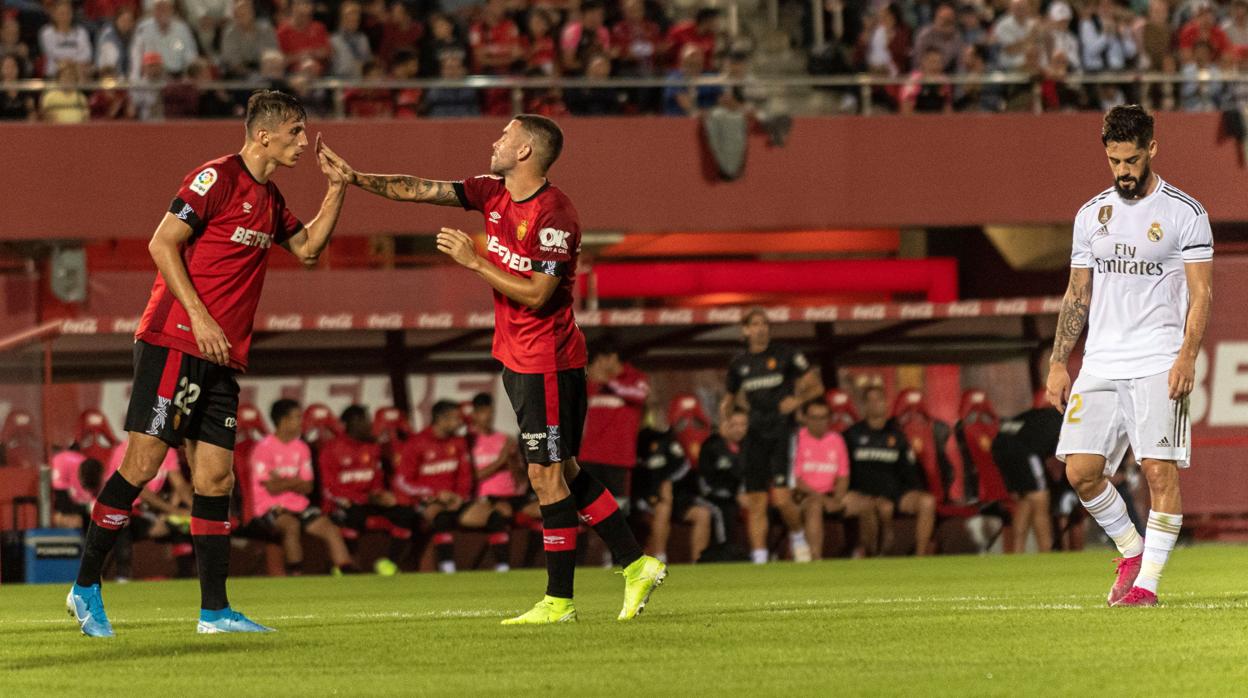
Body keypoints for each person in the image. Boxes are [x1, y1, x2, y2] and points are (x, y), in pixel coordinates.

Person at [319, 115, 666, 624]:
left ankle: (559, 601)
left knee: (545, 476)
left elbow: (539, 294)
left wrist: (475, 261)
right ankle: (637, 565)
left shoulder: (555, 215)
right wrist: (355, 178)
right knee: (565, 471)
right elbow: (420, 189)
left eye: (505, 136)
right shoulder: (491, 191)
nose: (495, 141)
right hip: (518, 357)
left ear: (525, 151)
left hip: (547, 360)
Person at [66, 90, 348, 638]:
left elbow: (309, 249)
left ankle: (215, 613)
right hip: (175, 339)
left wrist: (338, 188)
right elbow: (162, 244)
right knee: (143, 464)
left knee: (216, 477)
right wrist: (199, 318)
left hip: (222, 355)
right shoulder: (215, 178)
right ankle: (85, 587)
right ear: (263, 135)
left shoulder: (270, 199)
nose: (302, 141)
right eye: (294, 131)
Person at [1048, 105, 1213, 607]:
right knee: (1080, 472)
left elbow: (1201, 295)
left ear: (1152, 149)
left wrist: (1187, 356)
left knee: (1159, 473)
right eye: (1114, 160)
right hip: (1100, 362)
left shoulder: (1185, 213)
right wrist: (1059, 361)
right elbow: (1077, 293)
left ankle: (1147, 586)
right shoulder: (1090, 215)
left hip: (1158, 360)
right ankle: (1131, 551)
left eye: (1132, 160)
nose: (1123, 170)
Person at [720, 308, 823, 564]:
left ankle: (797, 536)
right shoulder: (739, 363)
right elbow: (729, 399)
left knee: (781, 498)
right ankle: (760, 557)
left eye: (764, 324)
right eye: (755, 324)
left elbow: (816, 386)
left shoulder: (786, 354)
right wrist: (724, 423)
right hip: (754, 434)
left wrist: (797, 400)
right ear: (746, 330)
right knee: (756, 500)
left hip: (781, 432)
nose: (761, 328)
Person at [249, 399, 356, 575]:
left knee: (329, 528)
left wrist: (283, 481)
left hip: (298, 504)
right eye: (297, 417)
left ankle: (347, 572)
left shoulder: (301, 448)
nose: (302, 422)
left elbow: (307, 487)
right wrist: (294, 481)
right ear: (283, 420)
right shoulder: (263, 448)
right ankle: (296, 574)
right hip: (268, 507)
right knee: (291, 525)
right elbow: (271, 488)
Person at [578, 337, 649, 564]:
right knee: (584, 509)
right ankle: (581, 560)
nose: (596, 365)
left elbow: (640, 395)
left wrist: (609, 383)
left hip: (618, 458)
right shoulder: (591, 382)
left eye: (599, 360)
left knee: (618, 510)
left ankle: (618, 557)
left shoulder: (635, 378)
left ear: (611, 358)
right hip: (589, 456)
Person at [320, 404, 413, 574]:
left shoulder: (372, 448)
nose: (370, 425)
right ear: (354, 422)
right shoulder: (331, 449)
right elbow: (329, 489)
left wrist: (380, 495)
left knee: (405, 514)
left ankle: (389, 564)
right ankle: (345, 566)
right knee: (353, 515)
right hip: (340, 504)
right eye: (366, 420)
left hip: (368, 501)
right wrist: (362, 498)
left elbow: (376, 480)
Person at [843, 386, 936, 556]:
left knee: (927, 502)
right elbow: (843, 470)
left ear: (886, 403)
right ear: (864, 406)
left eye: (879, 399)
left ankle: (920, 557)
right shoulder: (852, 435)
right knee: (871, 507)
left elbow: (910, 470)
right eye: (870, 400)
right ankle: (871, 552)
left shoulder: (897, 436)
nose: (875, 404)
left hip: (894, 494)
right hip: (864, 494)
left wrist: (915, 491)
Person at [393, 400, 474, 574]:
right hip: (425, 502)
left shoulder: (459, 442)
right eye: (455, 418)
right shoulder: (417, 442)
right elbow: (402, 481)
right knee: (441, 518)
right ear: (441, 419)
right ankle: (448, 568)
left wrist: (460, 497)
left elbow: (465, 475)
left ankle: (503, 568)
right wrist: (434, 494)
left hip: (455, 500)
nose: (460, 422)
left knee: (495, 518)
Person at [458, 392, 528, 571]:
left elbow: (520, 478)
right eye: (483, 412)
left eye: (490, 411)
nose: (488, 416)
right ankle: (501, 565)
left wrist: (511, 460)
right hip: (486, 498)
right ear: (474, 414)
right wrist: (500, 460)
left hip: (514, 496)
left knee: (549, 511)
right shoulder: (468, 442)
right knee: (500, 514)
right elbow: (472, 477)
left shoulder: (506, 439)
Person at [634, 417, 716, 564]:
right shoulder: (640, 439)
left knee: (703, 514)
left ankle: (699, 563)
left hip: (675, 497)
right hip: (646, 495)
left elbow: (684, 468)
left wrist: (668, 483)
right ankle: (660, 559)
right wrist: (656, 490)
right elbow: (640, 472)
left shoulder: (673, 440)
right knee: (663, 507)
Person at [791, 399, 857, 561]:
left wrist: (837, 499)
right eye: (814, 417)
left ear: (829, 419)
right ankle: (815, 558)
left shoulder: (837, 440)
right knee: (815, 506)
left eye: (823, 417)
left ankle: (870, 554)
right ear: (805, 418)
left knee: (866, 504)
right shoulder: (796, 439)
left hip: (831, 494)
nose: (819, 422)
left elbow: (843, 476)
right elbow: (796, 480)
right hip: (802, 495)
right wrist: (823, 499)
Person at [992, 404, 1061, 553]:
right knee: (1040, 499)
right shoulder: (1064, 419)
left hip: (1001, 448)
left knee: (1025, 500)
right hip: (1024, 451)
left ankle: (1018, 552)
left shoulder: (1038, 414)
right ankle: (1046, 551)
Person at [698, 407, 747, 555]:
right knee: (725, 508)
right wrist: (734, 494)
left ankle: (761, 554)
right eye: (734, 425)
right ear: (724, 425)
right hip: (713, 495)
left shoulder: (751, 447)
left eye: (743, 424)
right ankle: (724, 551)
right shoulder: (712, 446)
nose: (739, 429)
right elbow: (705, 482)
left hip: (742, 494)